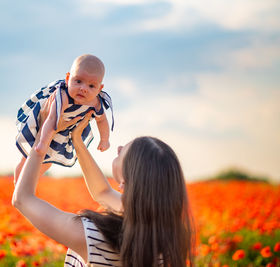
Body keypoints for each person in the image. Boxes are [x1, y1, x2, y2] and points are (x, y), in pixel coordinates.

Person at [12, 111, 195, 267]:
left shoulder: (93, 236)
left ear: (126, 181)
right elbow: (103, 193)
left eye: (125, 152)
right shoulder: (170, 234)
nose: (119, 148)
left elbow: (22, 199)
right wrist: (78, 141)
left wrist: (45, 134)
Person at [14, 54, 114, 183]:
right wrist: (43, 143)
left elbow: (101, 120)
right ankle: (18, 183)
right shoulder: (63, 95)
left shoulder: (96, 103)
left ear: (100, 88)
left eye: (91, 86)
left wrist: (105, 139)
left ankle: (26, 184)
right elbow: (50, 119)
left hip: (64, 131)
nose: (83, 88)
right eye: (78, 81)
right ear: (68, 79)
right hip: (43, 125)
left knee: (48, 161)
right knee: (27, 157)